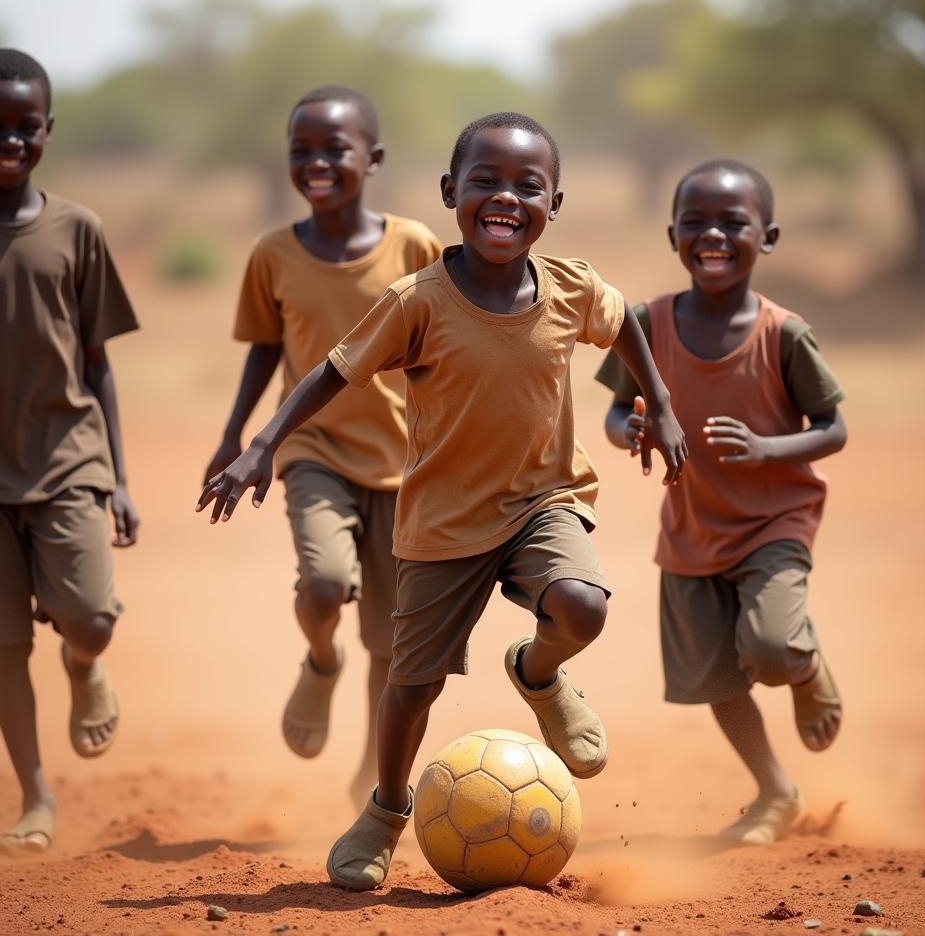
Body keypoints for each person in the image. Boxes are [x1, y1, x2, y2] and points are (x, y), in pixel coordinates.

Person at [197, 112, 687, 890]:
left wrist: (657, 403)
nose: (505, 196)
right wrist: (260, 445)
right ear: (450, 191)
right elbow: (332, 370)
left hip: (541, 499)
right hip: (442, 521)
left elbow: (623, 320)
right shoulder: (417, 298)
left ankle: (539, 676)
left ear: (554, 204)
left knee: (582, 605)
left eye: (529, 185)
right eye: (485, 180)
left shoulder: (570, 288)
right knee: (411, 686)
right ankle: (387, 809)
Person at [596, 159, 846, 845]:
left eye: (733, 223)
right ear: (671, 232)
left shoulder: (785, 334)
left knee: (768, 647)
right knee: (713, 677)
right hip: (690, 528)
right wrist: (633, 431)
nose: (713, 234)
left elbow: (835, 428)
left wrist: (770, 450)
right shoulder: (644, 324)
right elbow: (618, 413)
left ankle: (802, 662)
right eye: (696, 221)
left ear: (767, 237)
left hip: (774, 522)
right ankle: (775, 790)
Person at [202, 86, 441, 801]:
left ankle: (372, 767)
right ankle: (319, 656)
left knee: (392, 641)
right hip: (311, 450)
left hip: (405, 464)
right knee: (325, 583)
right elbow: (263, 349)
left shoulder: (416, 245)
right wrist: (236, 436)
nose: (316, 162)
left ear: (373, 157)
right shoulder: (272, 253)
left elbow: (445, 345)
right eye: (300, 149)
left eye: (334, 148)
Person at [0, 49, 139, 855]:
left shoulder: (75, 229)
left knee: (88, 619)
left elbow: (98, 362)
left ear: (47, 130)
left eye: (26, 127)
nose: (11, 140)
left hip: (67, 460)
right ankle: (36, 795)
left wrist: (119, 479)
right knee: (6, 647)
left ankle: (84, 666)